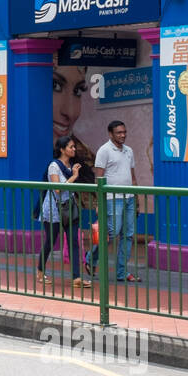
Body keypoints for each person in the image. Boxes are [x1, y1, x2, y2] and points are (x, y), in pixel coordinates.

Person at [94, 119, 140, 283]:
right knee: (112, 233)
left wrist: (137, 198)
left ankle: (122, 272)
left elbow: (132, 175)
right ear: (110, 134)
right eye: (119, 132)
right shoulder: (104, 150)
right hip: (112, 198)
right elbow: (98, 177)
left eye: (124, 132)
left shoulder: (129, 151)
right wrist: (99, 201)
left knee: (128, 235)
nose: (123, 135)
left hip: (129, 198)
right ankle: (90, 258)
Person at [37, 135, 85, 287]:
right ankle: (40, 271)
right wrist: (74, 176)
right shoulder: (54, 166)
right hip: (53, 209)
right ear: (62, 149)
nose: (74, 149)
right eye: (71, 147)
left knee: (74, 241)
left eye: (74, 147)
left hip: (69, 207)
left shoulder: (70, 165)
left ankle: (76, 278)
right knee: (50, 241)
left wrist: (74, 173)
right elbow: (57, 189)